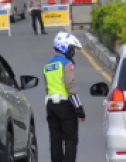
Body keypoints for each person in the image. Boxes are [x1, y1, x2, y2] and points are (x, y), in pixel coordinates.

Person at [44, 32, 85, 162]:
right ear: (64, 47)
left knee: (55, 139)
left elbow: (47, 88)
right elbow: (70, 86)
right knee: (70, 139)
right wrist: (79, 107)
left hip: (50, 105)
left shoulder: (48, 65)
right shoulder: (67, 63)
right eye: (71, 48)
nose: (72, 52)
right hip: (65, 105)